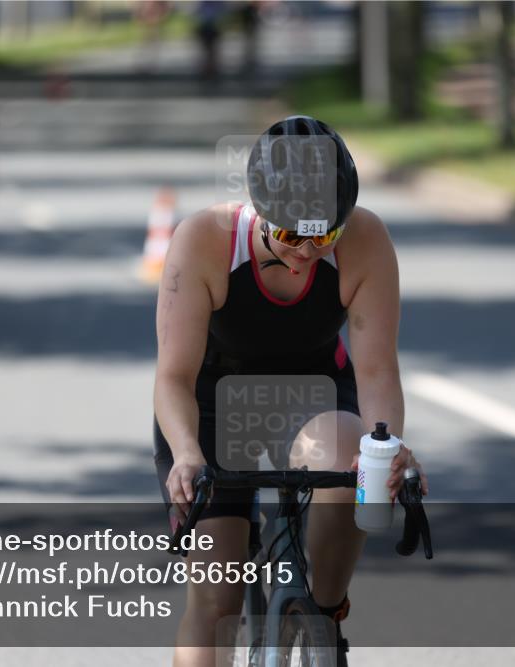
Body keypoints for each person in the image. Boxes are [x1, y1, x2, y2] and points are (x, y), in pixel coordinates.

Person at [153, 115, 429, 667]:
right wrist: (186, 455)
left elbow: (375, 372)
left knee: (355, 463)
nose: (307, 250)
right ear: (258, 210)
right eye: (289, 234)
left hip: (314, 394)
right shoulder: (204, 240)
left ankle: (324, 609)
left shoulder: (366, 240)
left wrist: (386, 447)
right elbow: (173, 377)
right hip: (211, 403)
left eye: (324, 234)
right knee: (216, 598)